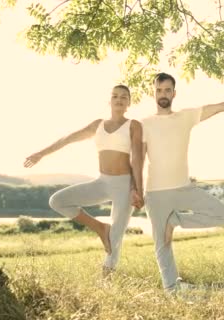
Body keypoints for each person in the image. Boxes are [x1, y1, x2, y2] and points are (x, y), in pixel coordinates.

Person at [141, 73, 224, 291]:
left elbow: (220, 106)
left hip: (183, 187)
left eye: (167, 90)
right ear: (153, 92)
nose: (162, 94)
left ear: (174, 93)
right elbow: (135, 158)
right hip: (155, 192)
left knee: (223, 215)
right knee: (162, 244)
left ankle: (175, 221)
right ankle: (172, 288)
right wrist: (134, 189)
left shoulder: (185, 116)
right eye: (158, 90)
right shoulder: (144, 124)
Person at [24, 84, 144, 274]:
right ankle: (100, 228)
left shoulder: (134, 125)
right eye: (115, 96)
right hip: (102, 182)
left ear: (129, 102)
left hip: (124, 184)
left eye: (124, 97)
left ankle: (106, 282)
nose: (119, 99)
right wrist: (41, 154)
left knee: (116, 238)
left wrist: (138, 189)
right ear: (109, 101)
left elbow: (137, 158)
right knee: (57, 201)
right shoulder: (98, 125)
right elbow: (68, 139)